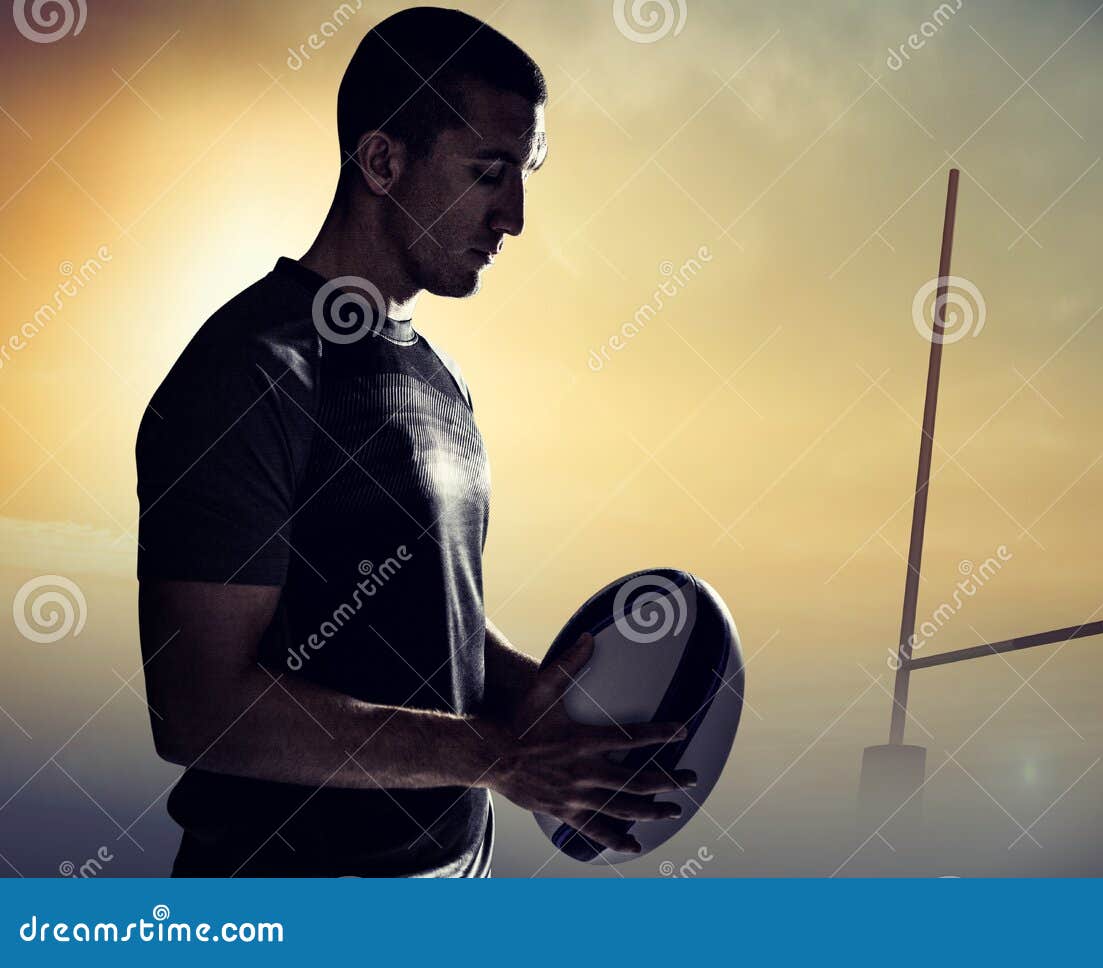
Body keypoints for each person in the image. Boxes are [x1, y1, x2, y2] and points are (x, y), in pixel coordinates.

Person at [134, 6, 693, 877]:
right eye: (489, 171)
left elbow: (429, 620)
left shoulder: (439, 378)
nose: (513, 215)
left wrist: (543, 710)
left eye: (525, 173)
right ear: (383, 160)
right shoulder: (250, 372)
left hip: (454, 875)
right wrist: (497, 759)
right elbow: (199, 708)